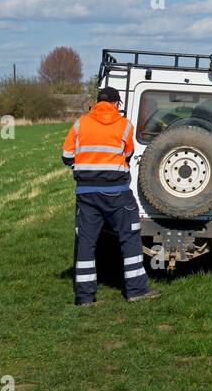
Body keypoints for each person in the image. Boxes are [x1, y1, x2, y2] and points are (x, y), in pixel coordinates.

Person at [63, 86, 161, 305]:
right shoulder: (124, 125)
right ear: (117, 104)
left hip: (86, 193)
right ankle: (136, 290)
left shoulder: (80, 124)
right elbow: (128, 154)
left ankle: (85, 297)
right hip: (117, 193)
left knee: (86, 242)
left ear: (97, 103)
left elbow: (67, 155)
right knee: (129, 238)